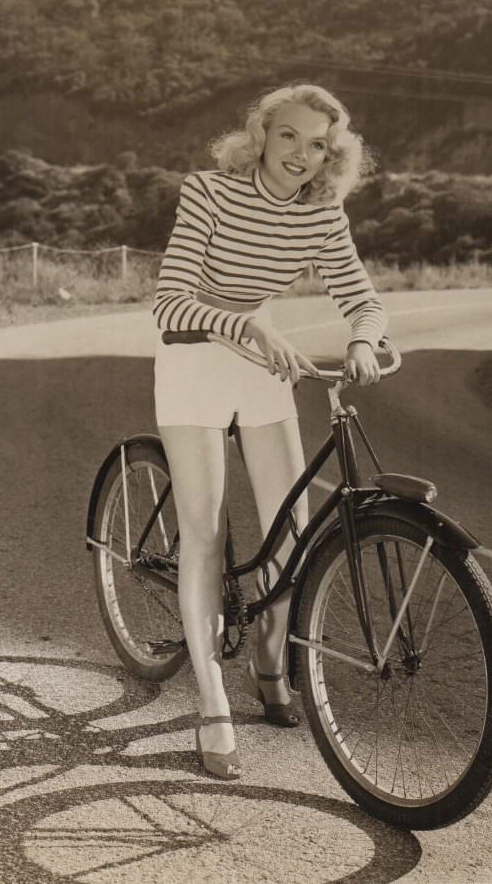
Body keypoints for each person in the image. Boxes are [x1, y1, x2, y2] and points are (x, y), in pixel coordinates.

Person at [152, 83, 388, 779]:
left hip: (260, 358)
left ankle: (267, 650)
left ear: (332, 158)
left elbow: (360, 295)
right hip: (193, 352)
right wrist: (248, 323)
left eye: (319, 146)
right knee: (204, 532)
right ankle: (212, 703)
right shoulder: (209, 191)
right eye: (289, 136)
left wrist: (365, 343)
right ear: (262, 134)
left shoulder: (322, 213)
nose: (301, 155)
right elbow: (171, 298)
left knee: (295, 528)